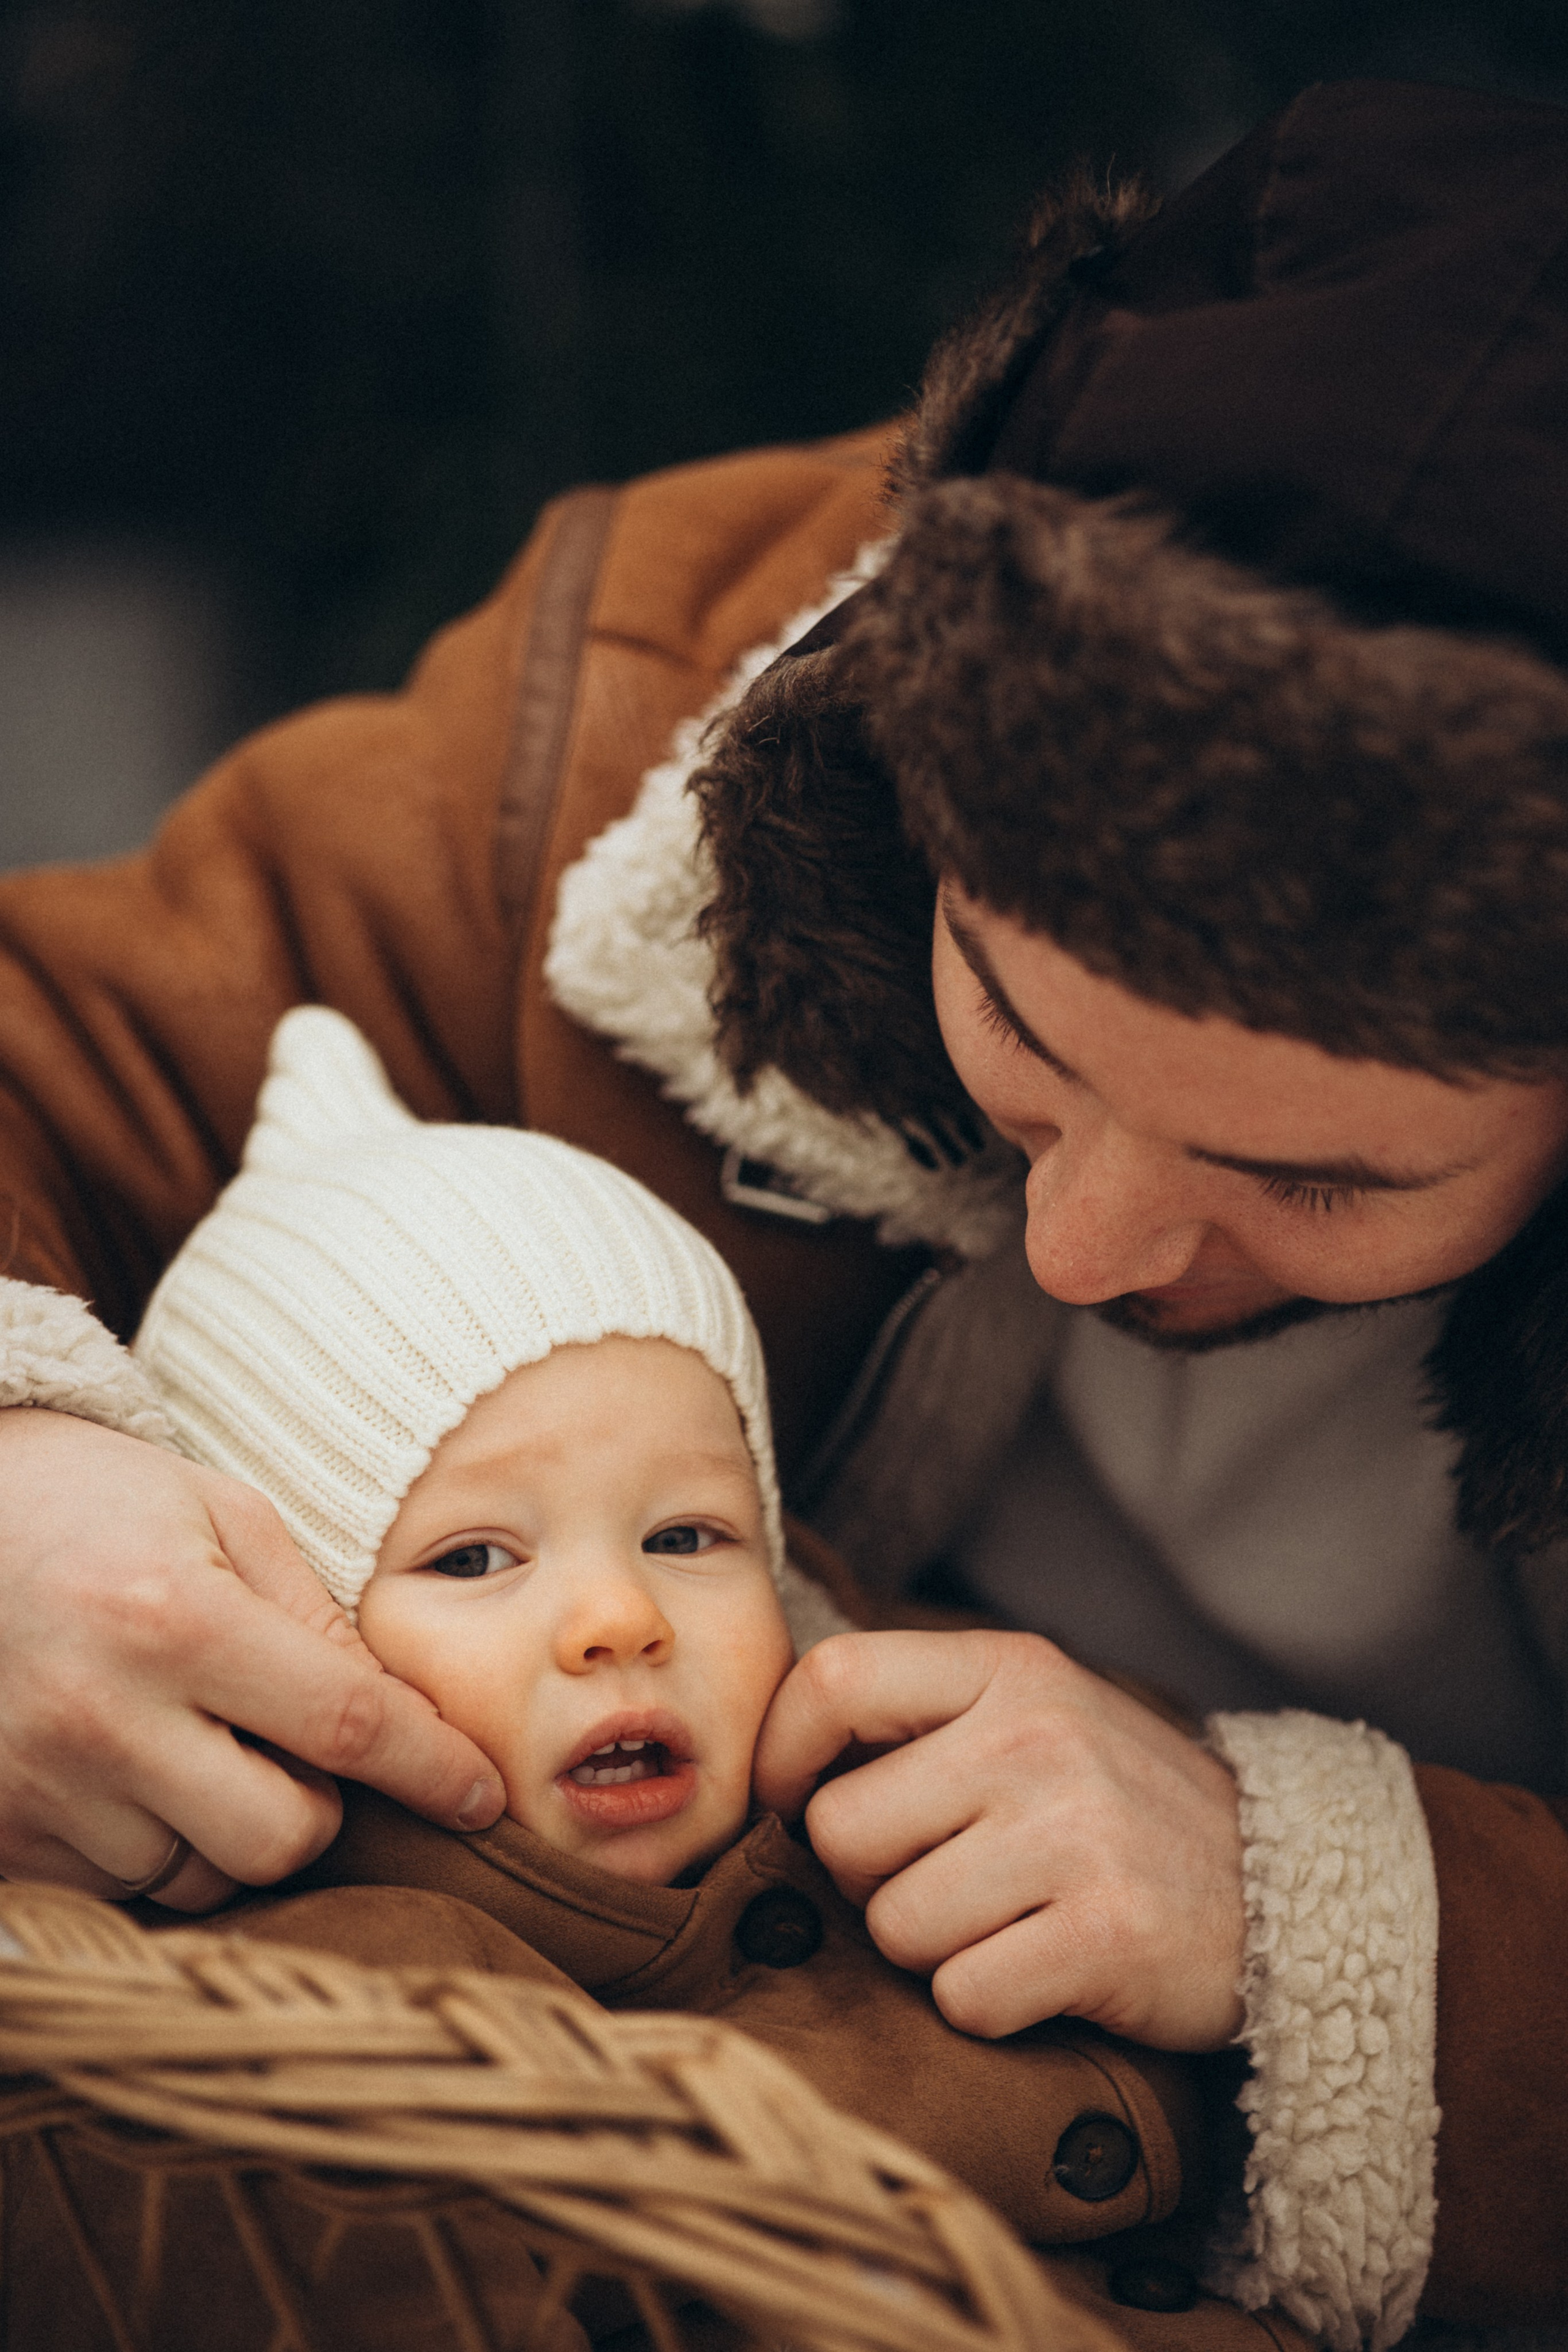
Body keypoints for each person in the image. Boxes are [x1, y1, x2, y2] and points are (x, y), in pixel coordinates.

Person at [0, 73, 1563, 2346]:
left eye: (1314, 1175)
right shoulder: (634, 733)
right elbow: (55, 1034)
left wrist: (1337, 1930)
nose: (1086, 1251)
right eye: (1013, 1023)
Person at [110, 999, 1253, 2329]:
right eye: (473, 1558)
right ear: (278, 1650)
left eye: (685, 1536)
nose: (622, 1617)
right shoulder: (329, 2013)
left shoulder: (915, 1738)